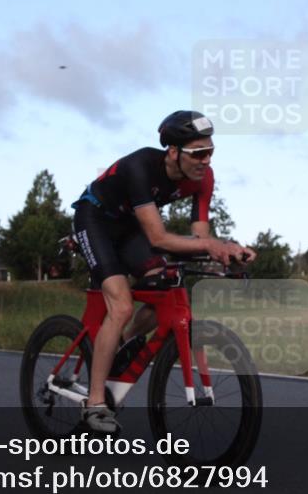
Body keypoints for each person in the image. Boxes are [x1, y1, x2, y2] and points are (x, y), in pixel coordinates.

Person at [70, 110, 256, 433]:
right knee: (122, 304)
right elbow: (158, 237)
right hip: (95, 220)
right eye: (198, 153)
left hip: (129, 227)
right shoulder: (142, 167)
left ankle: (121, 346)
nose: (206, 160)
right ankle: (95, 402)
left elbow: (200, 238)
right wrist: (214, 245)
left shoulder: (203, 179)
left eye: (210, 151)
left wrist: (226, 253)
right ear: (173, 152)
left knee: (165, 283)